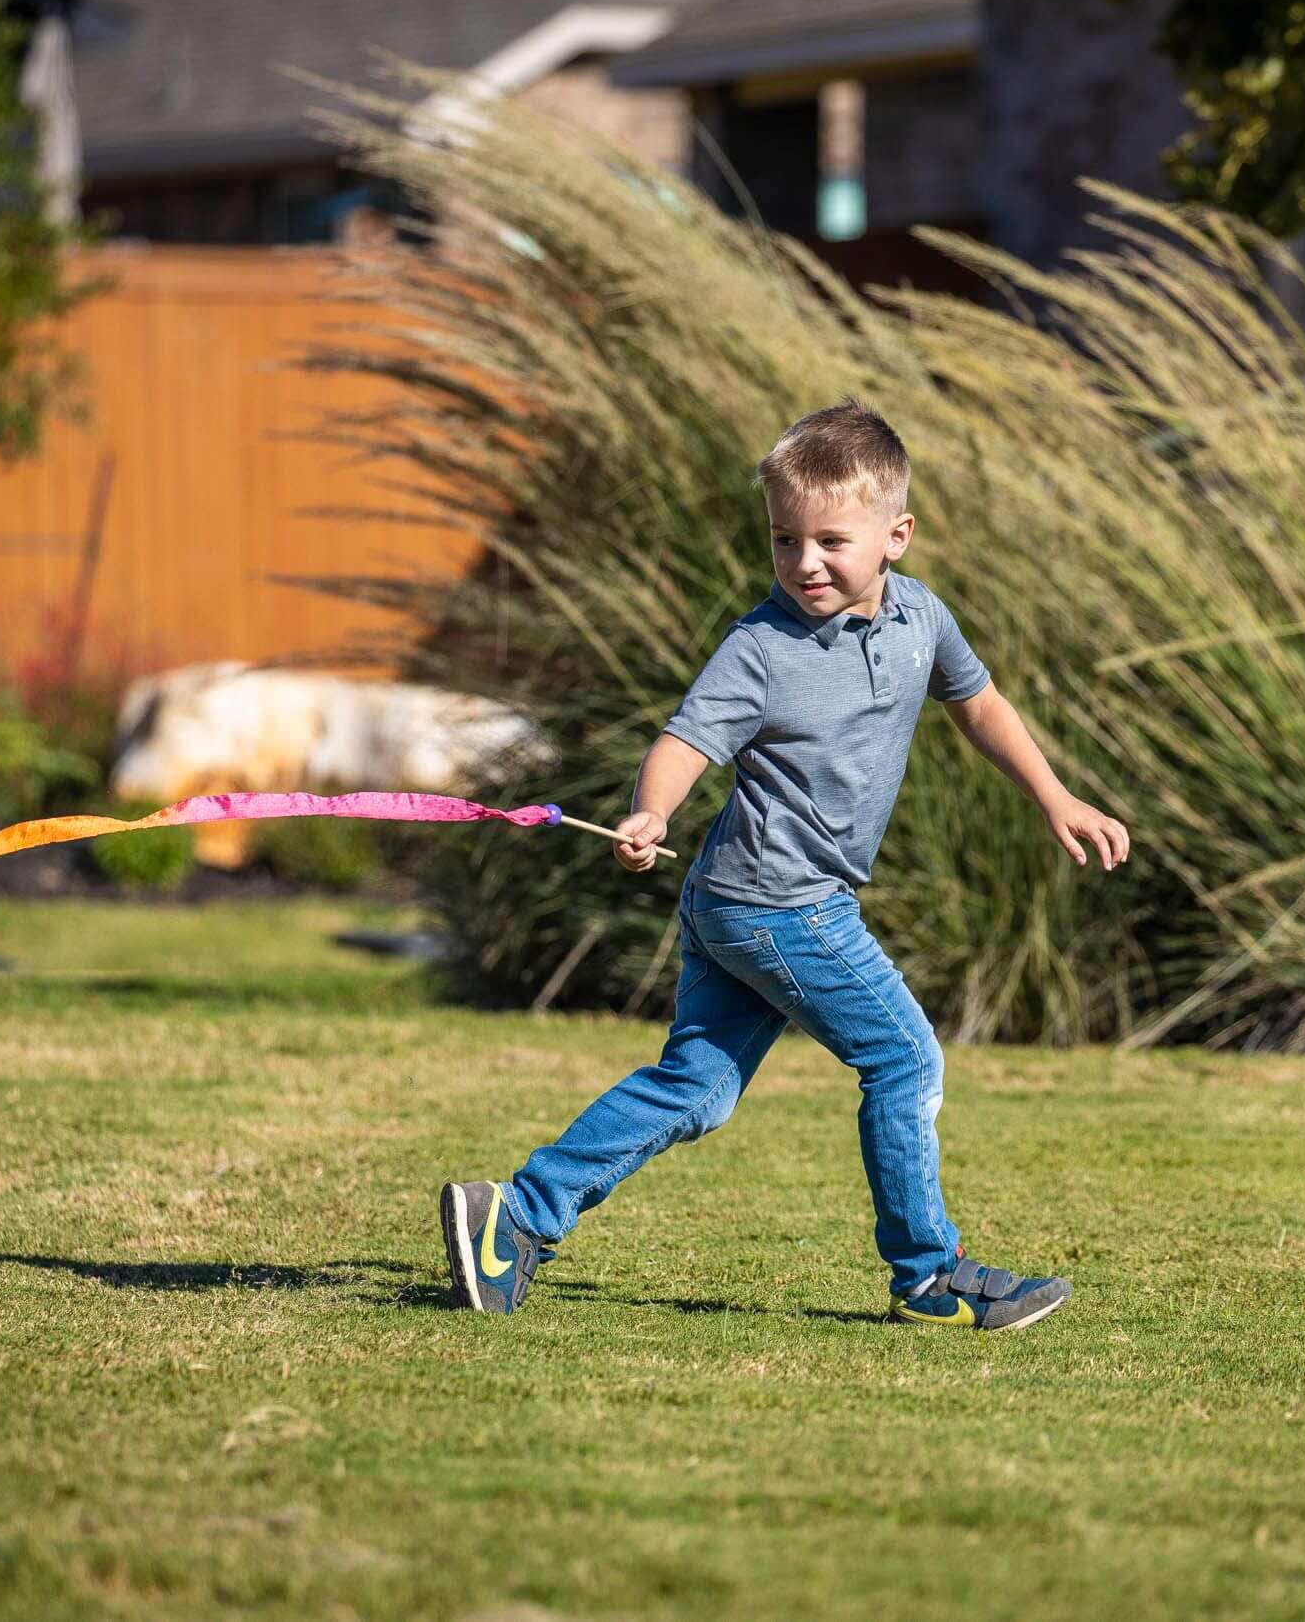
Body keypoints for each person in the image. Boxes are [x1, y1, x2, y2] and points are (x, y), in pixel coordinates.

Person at [439, 398, 1129, 1330]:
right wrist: (652, 807)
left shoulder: (922, 617)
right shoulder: (760, 646)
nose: (804, 563)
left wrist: (1055, 796)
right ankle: (928, 1276)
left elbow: (981, 704)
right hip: (777, 901)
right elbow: (685, 740)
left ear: (898, 535)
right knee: (903, 1056)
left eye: (830, 541)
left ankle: (513, 1221)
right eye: (784, 541)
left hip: (743, 902)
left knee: (698, 1091)